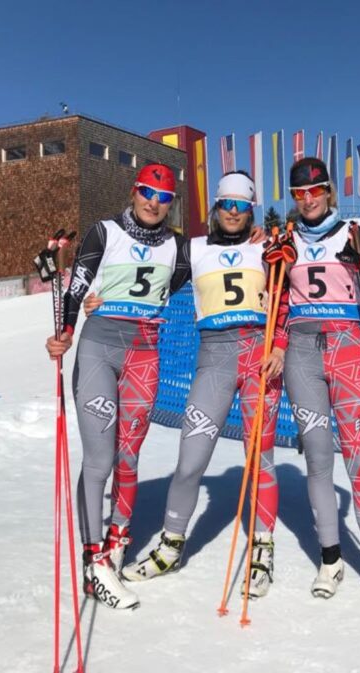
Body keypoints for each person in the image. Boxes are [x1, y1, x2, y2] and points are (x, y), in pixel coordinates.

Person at [117, 171, 287, 599]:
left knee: (260, 458)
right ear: (215, 206)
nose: (233, 211)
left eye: (242, 204)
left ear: (251, 209)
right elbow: (150, 277)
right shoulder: (191, 249)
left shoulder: (265, 248)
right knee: (190, 459)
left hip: (258, 357)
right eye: (226, 203)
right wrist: (105, 295)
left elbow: (292, 294)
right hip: (213, 359)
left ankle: (262, 548)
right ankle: (172, 544)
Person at [45, 163, 190, 610]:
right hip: (99, 350)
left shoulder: (178, 246)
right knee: (100, 457)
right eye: (147, 192)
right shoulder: (104, 232)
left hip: (145, 355)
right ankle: (94, 564)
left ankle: (116, 547)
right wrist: (65, 332)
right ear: (134, 191)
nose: (153, 203)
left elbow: (186, 278)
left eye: (163, 197)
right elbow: (77, 287)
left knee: (130, 456)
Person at [280, 157, 360, 610]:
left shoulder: (352, 235)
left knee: (359, 458)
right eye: (298, 194)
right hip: (301, 354)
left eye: (315, 191)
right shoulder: (283, 240)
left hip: (348, 350)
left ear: (329, 192)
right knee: (317, 458)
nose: (308, 199)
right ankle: (330, 559)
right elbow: (276, 302)